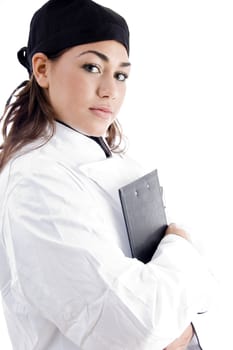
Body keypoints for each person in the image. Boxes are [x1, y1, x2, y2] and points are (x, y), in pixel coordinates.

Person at [0, 0, 215, 349]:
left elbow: (207, 293)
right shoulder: (36, 182)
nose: (110, 91)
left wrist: (178, 291)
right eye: (91, 67)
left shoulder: (118, 160)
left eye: (121, 75)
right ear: (41, 69)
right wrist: (178, 245)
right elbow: (137, 325)